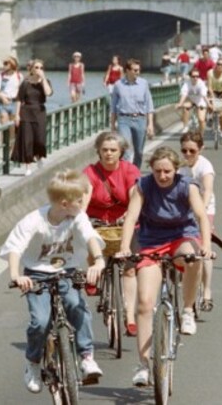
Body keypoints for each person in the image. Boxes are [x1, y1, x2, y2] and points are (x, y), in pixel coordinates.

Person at [2, 170, 105, 393]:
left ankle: (86, 356)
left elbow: (90, 237)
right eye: (80, 200)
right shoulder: (34, 220)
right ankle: (33, 362)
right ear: (65, 203)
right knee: (40, 321)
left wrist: (97, 261)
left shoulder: (78, 217)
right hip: (37, 274)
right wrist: (16, 275)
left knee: (77, 308)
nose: (83, 204)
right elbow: (15, 248)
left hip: (66, 271)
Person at [117, 146, 211, 387]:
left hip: (181, 236)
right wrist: (125, 247)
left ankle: (188, 310)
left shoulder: (187, 186)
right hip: (152, 241)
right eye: (158, 171)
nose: (162, 176)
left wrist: (206, 247)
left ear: (176, 169)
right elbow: (130, 217)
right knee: (145, 303)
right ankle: (143, 364)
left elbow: (201, 216)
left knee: (192, 259)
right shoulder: (143, 186)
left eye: (167, 171)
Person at [83, 132, 141, 335]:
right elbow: (85, 195)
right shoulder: (90, 172)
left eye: (113, 150)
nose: (108, 154)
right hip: (97, 221)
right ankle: (94, 274)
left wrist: (131, 213)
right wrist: (80, 218)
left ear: (121, 152)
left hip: (125, 222)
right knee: (91, 243)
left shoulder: (129, 170)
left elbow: (135, 193)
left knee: (130, 268)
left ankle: (130, 317)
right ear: (98, 151)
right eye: (105, 150)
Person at [178, 132, 218, 311]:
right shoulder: (180, 168)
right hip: (185, 211)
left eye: (192, 151)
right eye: (184, 150)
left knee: (204, 248)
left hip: (204, 208)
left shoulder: (204, 167)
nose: (187, 154)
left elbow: (208, 190)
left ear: (200, 149)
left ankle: (207, 291)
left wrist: (200, 210)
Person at [110, 59, 155, 169]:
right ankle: (126, 175)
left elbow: (149, 105)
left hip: (140, 119)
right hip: (124, 120)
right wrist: (112, 124)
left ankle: (135, 173)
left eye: (139, 70)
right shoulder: (118, 85)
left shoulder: (143, 83)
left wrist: (150, 124)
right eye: (135, 70)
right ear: (127, 71)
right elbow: (113, 107)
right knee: (126, 150)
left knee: (139, 152)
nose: (137, 72)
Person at [13, 58, 53, 176]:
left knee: (40, 139)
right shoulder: (25, 83)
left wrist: (43, 78)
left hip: (39, 111)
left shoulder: (45, 82)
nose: (38, 70)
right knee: (27, 140)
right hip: (26, 112)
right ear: (31, 69)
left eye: (41, 68)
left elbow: (48, 93)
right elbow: (19, 99)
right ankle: (28, 166)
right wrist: (17, 115)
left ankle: (39, 156)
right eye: (36, 67)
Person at [0, 56, 23, 129]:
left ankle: (12, 140)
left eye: (6, 63)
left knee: (13, 128)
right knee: (4, 126)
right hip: (3, 103)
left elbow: (21, 92)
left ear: (12, 65)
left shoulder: (19, 76)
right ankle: (3, 140)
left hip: (15, 103)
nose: (4, 65)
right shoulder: (0, 76)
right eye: (3, 63)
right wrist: (3, 98)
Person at [207, 59, 222, 140]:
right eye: (218, 64)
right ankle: (210, 117)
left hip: (221, 92)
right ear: (216, 64)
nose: (220, 66)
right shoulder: (210, 72)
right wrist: (213, 97)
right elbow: (209, 86)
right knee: (209, 103)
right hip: (212, 91)